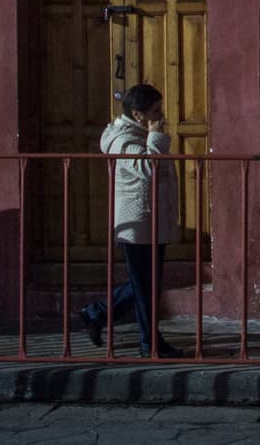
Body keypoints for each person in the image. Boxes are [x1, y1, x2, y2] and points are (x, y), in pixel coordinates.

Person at [77, 84, 184, 358]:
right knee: (145, 286)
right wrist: (156, 137)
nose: (161, 116)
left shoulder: (140, 134)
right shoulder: (122, 140)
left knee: (146, 284)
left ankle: (96, 314)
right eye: (155, 111)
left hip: (151, 221)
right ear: (138, 114)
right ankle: (149, 344)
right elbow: (149, 167)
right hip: (137, 224)